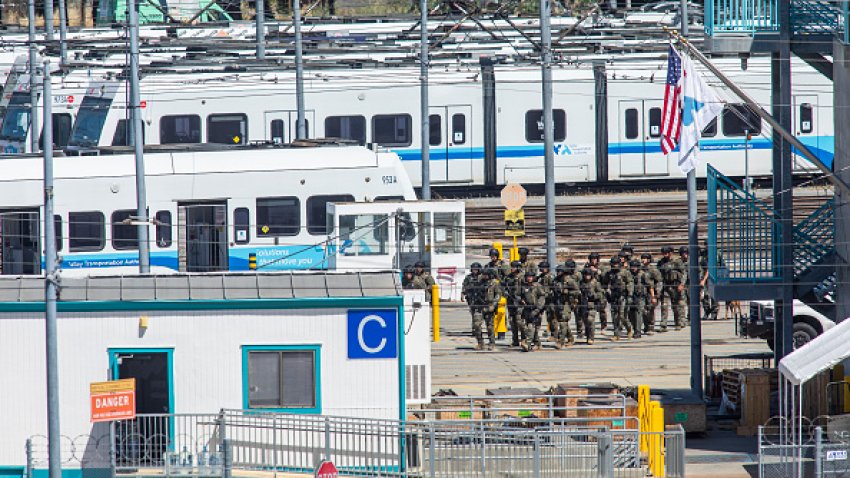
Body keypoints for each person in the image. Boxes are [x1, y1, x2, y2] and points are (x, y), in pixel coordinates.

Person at [606, 256, 633, 340]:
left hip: (622, 296)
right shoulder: (609, 273)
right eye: (614, 264)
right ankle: (616, 334)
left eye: (617, 264)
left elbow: (630, 283)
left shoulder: (624, 272)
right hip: (613, 296)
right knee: (614, 316)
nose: (615, 266)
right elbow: (605, 283)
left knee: (622, 316)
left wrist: (629, 294)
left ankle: (629, 329)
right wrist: (607, 294)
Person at [519, 271, 545, 351]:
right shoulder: (524, 286)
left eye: (530, 277)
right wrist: (521, 300)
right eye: (527, 277)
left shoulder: (538, 286)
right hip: (527, 309)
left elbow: (542, 298)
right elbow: (520, 295)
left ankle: (527, 344)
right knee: (532, 329)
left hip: (535, 309)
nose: (529, 278)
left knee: (531, 327)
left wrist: (537, 309)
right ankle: (537, 344)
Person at [578, 267, 604, 345]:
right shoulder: (581, 283)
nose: (587, 277)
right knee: (585, 322)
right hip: (583, 304)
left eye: (588, 275)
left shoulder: (595, 283)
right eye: (585, 275)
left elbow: (601, 294)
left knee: (590, 321)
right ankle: (588, 336)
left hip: (592, 304)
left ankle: (591, 337)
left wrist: (593, 295)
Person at [627, 259, 653, 339]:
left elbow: (650, 286)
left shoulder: (643, 275)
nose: (633, 268)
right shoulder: (628, 274)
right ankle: (635, 328)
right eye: (632, 267)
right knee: (630, 314)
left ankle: (638, 331)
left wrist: (653, 297)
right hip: (631, 296)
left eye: (635, 267)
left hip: (640, 296)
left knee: (639, 313)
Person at [476, 268, 500, 350]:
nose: (484, 276)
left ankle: (491, 343)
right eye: (483, 274)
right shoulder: (479, 282)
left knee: (490, 326)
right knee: (477, 324)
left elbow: (498, 295)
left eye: (486, 274)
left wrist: (493, 305)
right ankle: (480, 342)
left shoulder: (494, 283)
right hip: (479, 306)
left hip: (489, 306)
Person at [554, 263, 577, 348]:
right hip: (558, 302)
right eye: (557, 271)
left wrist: (567, 292)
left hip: (567, 303)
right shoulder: (556, 280)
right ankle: (570, 338)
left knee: (563, 322)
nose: (558, 273)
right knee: (563, 322)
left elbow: (577, 292)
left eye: (559, 271)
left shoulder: (569, 281)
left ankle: (561, 342)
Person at [461, 262, 484, 347]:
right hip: (472, 300)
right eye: (473, 269)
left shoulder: (482, 277)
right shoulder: (468, 277)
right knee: (474, 316)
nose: (475, 271)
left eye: (476, 269)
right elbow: (464, 286)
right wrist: (463, 294)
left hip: (481, 301)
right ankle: (475, 330)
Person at [586, 252, 609, 332]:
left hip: (601, 290)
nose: (593, 260)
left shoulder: (602, 267)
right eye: (592, 259)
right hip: (590, 290)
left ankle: (604, 325)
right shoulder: (587, 266)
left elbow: (605, 277)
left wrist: (596, 271)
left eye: (595, 259)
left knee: (602, 309)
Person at [504, 260, 525, 347]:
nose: (511, 269)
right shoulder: (508, 277)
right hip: (511, 301)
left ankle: (524, 339)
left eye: (513, 267)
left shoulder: (522, 277)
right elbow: (504, 286)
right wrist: (504, 292)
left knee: (519, 321)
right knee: (512, 322)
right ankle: (515, 340)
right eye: (511, 267)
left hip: (520, 302)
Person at [640, 253, 663, 335]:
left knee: (650, 310)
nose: (643, 260)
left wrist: (657, 294)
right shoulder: (640, 269)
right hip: (642, 293)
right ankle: (646, 326)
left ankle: (651, 327)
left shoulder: (653, 270)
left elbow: (659, 281)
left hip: (651, 293)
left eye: (645, 258)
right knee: (643, 310)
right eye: (642, 258)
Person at [537, 261, 558, 342]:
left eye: (543, 268)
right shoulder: (541, 276)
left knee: (552, 318)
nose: (541, 269)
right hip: (542, 299)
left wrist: (547, 293)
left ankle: (554, 335)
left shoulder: (551, 277)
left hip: (550, 300)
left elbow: (553, 289)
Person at [699, 244, 719, 321]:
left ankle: (714, 313)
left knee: (714, 296)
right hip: (704, 276)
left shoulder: (716, 253)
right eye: (706, 245)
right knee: (705, 296)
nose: (707, 246)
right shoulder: (703, 254)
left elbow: (718, 265)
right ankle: (707, 311)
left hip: (714, 276)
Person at [657, 246, 674, 332]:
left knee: (677, 306)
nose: (665, 255)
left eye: (666, 253)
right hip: (665, 286)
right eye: (663, 253)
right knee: (664, 306)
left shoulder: (676, 262)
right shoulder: (661, 262)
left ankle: (679, 322)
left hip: (674, 286)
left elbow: (683, 273)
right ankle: (663, 324)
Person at [675, 246, 690, 327]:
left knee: (691, 302)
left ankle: (691, 318)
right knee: (681, 302)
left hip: (691, 284)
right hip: (682, 284)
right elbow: (683, 274)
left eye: (686, 253)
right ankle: (682, 320)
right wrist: (681, 284)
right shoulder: (678, 262)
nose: (685, 255)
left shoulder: (693, 261)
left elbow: (699, 271)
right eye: (683, 253)